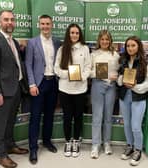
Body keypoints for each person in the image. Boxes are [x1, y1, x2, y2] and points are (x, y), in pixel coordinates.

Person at [0, 10, 29, 168]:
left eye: (12, 19)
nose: (9, 22)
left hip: (15, 89)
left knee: (10, 121)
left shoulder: (14, 42)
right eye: (6, 20)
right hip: (2, 92)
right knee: (1, 124)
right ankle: (1, 155)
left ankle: (10, 145)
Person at [25, 14, 61, 164]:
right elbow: (28, 64)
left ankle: (46, 141)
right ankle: (33, 148)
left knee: (49, 115)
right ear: (39, 25)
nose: (45, 26)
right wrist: (32, 84)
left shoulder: (57, 42)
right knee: (35, 117)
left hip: (53, 82)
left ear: (52, 25)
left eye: (48, 23)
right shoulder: (32, 43)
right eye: (43, 24)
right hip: (39, 84)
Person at [54, 23, 91, 157]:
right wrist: (68, 74)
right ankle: (68, 141)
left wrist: (81, 76)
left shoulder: (85, 49)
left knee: (78, 116)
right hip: (65, 89)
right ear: (68, 34)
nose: (74, 35)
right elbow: (56, 69)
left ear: (79, 34)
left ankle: (76, 141)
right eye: (72, 33)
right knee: (67, 117)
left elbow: (88, 67)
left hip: (80, 89)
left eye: (76, 33)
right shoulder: (62, 49)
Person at [117, 36, 148, 166]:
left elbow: (147, 83)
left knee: (136, 126)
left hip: (138, 98)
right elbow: (119, 78)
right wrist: (121, 80)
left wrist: (135, 86)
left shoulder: (145, 62)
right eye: (128, 46)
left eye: (133, 45)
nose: (130, 48)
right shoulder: (123, 60)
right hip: (124, 97)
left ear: (138, 46)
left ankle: (138, 150)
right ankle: (129, 146)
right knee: (127, 124)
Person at [90, 30, 120, 159]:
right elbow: (89, 72)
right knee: (97, 116)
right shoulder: (94, 54)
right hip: (97, 85)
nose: (104, 42)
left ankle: (107, 142)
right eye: (102, 39)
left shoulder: (116, 55)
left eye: (107, 39)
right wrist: (104, 75)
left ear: (110, 41)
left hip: (111, 88)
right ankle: (96, 145)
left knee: (108, 116)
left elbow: (120, 72)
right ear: (99, 40)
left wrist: (116, 77)